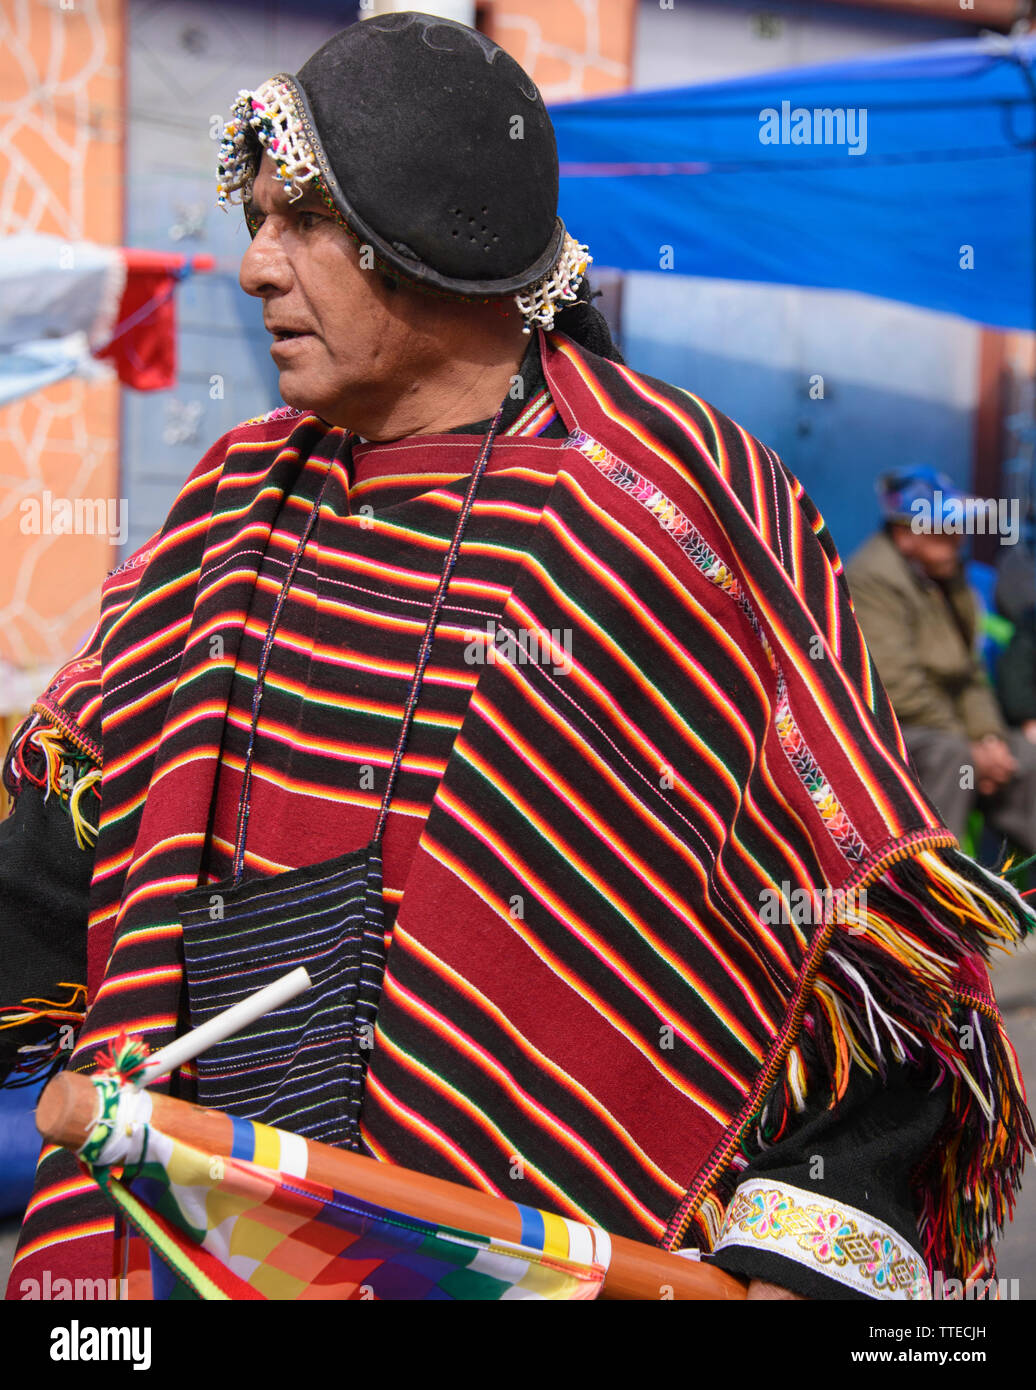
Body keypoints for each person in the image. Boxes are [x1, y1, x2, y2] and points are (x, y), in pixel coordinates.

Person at [2, 14, 1031, 1303]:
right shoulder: (231, 495)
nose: (256, 266)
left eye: (305, 220)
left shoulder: (661, 504)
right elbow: (61, 836)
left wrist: (803, 1263)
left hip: (542, 1247)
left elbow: (859, 935)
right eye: (255, 217)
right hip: (194, 1238)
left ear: (437, 229)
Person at [846, 466, 1036, 853]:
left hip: (951, 725)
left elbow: (969, 674)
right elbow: (896, 685)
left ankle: (1014, 894)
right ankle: (935, 890)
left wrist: (989, 738)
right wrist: (972, 746)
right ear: (904, 534)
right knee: (952, 757)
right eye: (942, 529)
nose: (957, 538)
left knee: (1025, 758)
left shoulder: (948, 574)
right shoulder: (871, 579)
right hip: (895, 728)